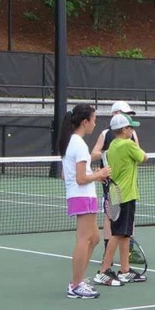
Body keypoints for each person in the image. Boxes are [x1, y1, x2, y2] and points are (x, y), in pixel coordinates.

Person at [58, 104, 111, 299]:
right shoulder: (78, 144)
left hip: (84, 195)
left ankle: (79, 280)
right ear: (84, 121)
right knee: (83, 239)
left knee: (95, 238)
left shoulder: (71, 142)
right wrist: (100, 174)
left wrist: (94, 175)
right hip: (81, 195)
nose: (95, 124)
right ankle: (76, 285)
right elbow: (79, 179)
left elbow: (66, 175)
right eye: (94, 120)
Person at [95, 113, 148, 284]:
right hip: (125, 195)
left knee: (125, 234)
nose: (133, 130)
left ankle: (124, 270)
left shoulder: (111, 148)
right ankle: (103, 270)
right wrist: (136, 146)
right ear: (124, 130)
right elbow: (143, 157)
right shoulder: (128, 145)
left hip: (115, 194)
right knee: (118, 234)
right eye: (131, 127)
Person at [91, 101, 140, 265]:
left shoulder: (132, 134)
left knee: (127, 218)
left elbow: (138, 154)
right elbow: (94, 154)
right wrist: (111, 152)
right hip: (110, 181)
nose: (129, 118)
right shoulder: (105, 134)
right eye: (125, 113)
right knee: (110, 215)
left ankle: (129, 253)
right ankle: (108, 252)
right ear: (115, 114)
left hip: (128, 182)